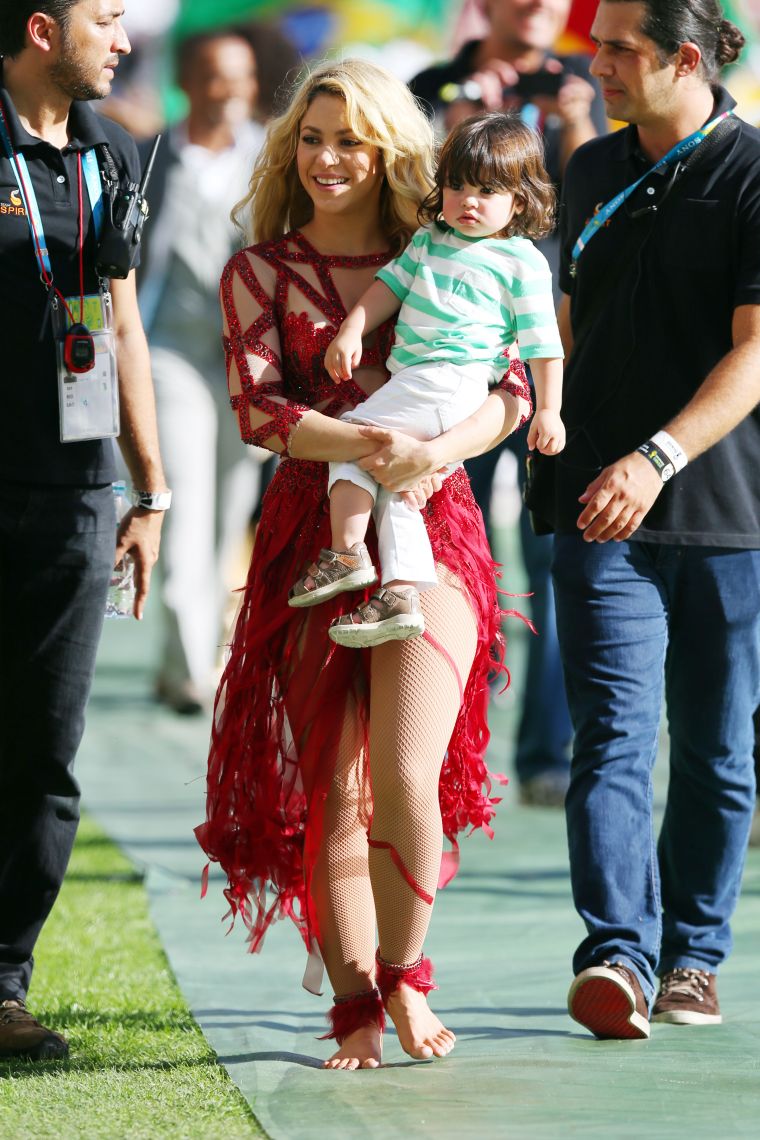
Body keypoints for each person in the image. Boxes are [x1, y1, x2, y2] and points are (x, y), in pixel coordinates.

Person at [194, 58, 532, 1070]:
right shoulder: (258, 271)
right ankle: (354, 1008)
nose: (329, 156)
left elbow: (515, 380)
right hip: (310, 538)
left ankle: (407, 977)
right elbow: (258, 413)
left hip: (438, 524)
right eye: (312, 136)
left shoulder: (454, 246)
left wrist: (438, 449)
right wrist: (372, 448)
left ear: (388, 152)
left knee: (403, 772)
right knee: (333, 791)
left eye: (350, 138)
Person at [525, 0, 760, 1039]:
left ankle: (693, 958)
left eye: (620, 46)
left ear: (684, 57)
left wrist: (657, 457)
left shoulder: (750, 171)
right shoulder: (586, 169)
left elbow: (755, 351)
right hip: (594, 509)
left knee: (713, 747)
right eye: (597, 42)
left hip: (723, 511)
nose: (596, 60)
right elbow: (562, 324)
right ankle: (616, 954)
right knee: (612, 736)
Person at [0, 0, 169, 1060]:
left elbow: (119, 320)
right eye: (105, 17)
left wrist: (148, 491)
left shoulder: (110, 158)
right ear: (41, 29)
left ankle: (2, 983)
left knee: (42, 755)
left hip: (72, 495)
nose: (122, 37)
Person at [411, 0, 608, 807]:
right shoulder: (437, 82)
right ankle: (446, 737)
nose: (537, 9)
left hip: (545, 345)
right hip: (450, 361)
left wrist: (571, 126)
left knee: (549, 558)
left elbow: (592, 202)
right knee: (451, 550)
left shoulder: (581, 84)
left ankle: (541, 755)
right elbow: (415, 196)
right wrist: (462, 118)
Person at [287, 111, 563, 650]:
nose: (467, 201)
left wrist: (550, 410)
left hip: (452, 381)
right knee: (396, 481)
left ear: (521, 200)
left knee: (351, 437)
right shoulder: (431, 240)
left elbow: (542, 346)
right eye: (457, 185)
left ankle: (346, 553)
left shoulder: (520, 262)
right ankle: (402, 589)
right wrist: (351, 329)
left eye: (487, 190)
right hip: (418, 380)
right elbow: (386, 289)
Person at [138, 29, 267, 715]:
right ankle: (196, 671)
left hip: (249, 363)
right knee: (183, 500)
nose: (233, 91)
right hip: (171, 352)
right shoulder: (153, 154)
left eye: (243, 77)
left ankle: (188, 653)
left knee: (230, 510)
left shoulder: (272, 156)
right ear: (189, 81)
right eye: (218, 76)